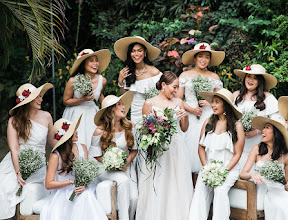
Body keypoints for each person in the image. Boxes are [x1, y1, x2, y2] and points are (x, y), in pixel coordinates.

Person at [136, 71, 193, 220]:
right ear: (163, 85)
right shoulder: (150, 103)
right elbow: (145, 129)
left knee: (176, 181)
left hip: (176, 147)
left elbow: (184, 128)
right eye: (174, 87)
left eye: (178, 87)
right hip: (158, 148)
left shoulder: (179, 103)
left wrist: (185, 117)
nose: (176, 90)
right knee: (158, 180)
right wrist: (156, 135)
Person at [0, 83, 54, 219]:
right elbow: (14, 149)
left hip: (38, 164)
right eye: (37, 97)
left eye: (40, 96)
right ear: (28, 101)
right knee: (4, 185)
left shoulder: (46, 116)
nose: (41, 99)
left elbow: (53, 142)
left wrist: (67, 141)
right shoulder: (14, 121)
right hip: (16, 162)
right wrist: (18, 173)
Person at [189, 88, 245, 220]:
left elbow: (237, 154)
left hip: (228, 168)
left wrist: (224, 171)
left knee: (220, 190)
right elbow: (201, 148)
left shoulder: (237, 126)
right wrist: (206, 167)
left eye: (217, 102)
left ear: (225, 104)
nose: (213, 105)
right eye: (212, 102)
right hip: (209, 167)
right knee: (200, 190)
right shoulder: (208, 122)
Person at [40, 115, 107, 220]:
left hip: (81, 190)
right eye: (73, 130)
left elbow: (86, 172)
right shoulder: (55, 156)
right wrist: (71, 182)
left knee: (86, 196)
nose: (76, 131)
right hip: (62, 192)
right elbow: (48, 184)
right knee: (79, 199)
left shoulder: (83, 148)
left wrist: (83, 184)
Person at [240, 116, 288, 219]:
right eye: (264, 127)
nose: (263, 131)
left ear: (276, 133)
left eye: (267, 127)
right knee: (283, 204)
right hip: (265, 191)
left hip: (280, 191)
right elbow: (243, 174)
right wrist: (252, 175)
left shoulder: (287, 157)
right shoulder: (256, 150)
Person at [177, 42, 224, 176]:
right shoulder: (185, 75)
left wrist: (210, 103)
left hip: (208, 116)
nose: (203, 60)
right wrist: (192, 110)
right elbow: (178, 99)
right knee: (190, 145)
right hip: (190, 116)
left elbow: (221, 100)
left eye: (207, 57)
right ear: (195, 58)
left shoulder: (214, 77)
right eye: (200, 56)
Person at [89, 91, 137, 220]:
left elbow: (135, 150)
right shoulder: (99, 131)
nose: (123, 107)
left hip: (127, 165)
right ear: (111, 110)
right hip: (105, 168)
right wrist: (113, 164)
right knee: (123, 180)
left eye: (123, 104)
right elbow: (96, 155)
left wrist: (125, 162)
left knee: (134, 198)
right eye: (119, 104)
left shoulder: (129, 126)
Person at [233, 64, 280, 170]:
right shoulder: (236, 95)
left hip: (258, 141)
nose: (251, 80)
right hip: (237, 141)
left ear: (260, 81)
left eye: (255, 78)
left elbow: (276, 121)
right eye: (249, 76)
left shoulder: (268, 98)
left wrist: (257, 131)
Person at [62, 49, 111, 150]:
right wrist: (83, 99)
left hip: (92, 115)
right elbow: (66, 101)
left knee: (93, 143)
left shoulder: (102, 80)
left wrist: (108, 106)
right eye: (91, 61)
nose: (95, 64)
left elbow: (99, 95)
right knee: (78, 142)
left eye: (96, 60)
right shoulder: (73, 80)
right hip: (76, 114)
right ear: (83, 63)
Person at [114, 36, 162, 125]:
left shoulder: (154, 72)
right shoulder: (127, 72)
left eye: (139, 51)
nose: (136, 54)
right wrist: (120, 82)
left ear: (145, 52)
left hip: (152, 115)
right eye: (133, 51)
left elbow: (161, 95)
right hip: (135, 116)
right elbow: (125, 98)